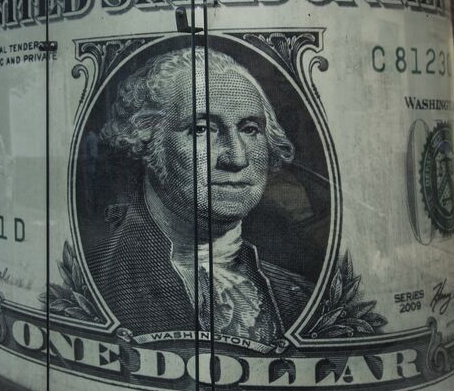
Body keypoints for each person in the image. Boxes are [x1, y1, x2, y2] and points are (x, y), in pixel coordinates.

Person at [87, 47, 312, 345]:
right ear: (146, 140)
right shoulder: (96, 281)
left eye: (249, 129)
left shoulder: (299, 294)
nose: (236, 157)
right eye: (202, 129)